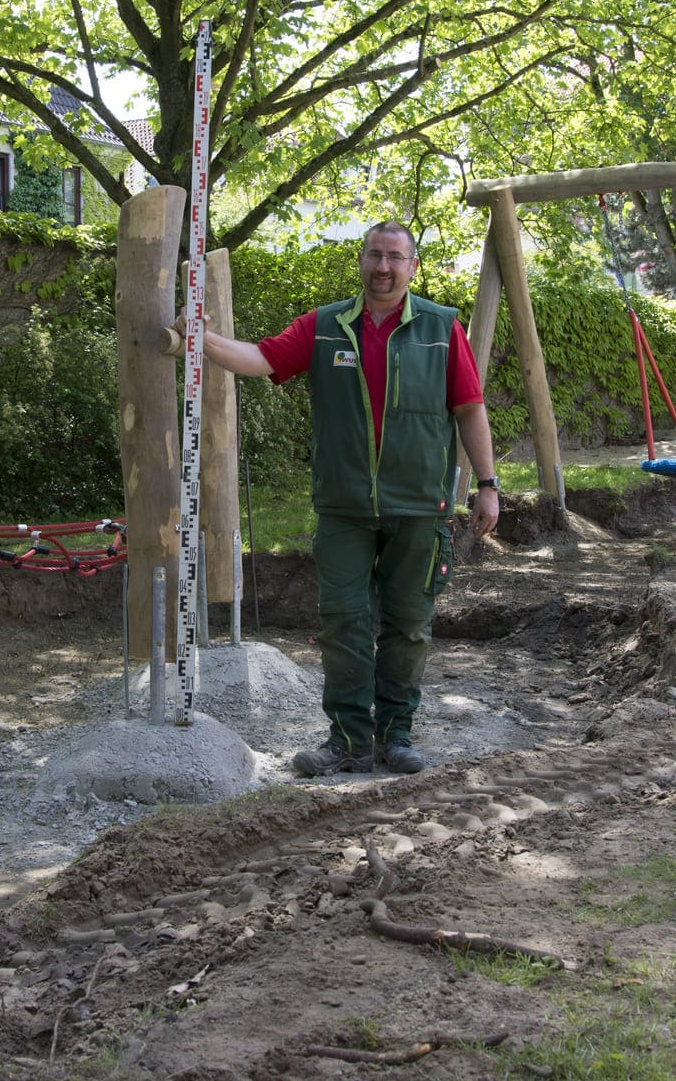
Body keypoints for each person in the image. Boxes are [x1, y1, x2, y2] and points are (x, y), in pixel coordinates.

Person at [199, 220, 501, 776]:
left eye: (394, 257)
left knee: (409, 625)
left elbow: (468, 408)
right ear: (361, 262)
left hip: (419, 509)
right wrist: (201, 339)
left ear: (412, 267)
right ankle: (348, 741)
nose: (383, 267)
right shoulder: (325, 327)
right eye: (374, 256)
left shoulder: (441, 328)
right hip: (343, 508)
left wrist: (487, 485)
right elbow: (261, 359)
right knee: (343, 623)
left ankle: (396, 736)